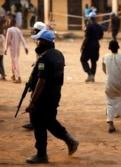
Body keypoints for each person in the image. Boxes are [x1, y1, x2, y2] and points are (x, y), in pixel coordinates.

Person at [25, 30, 79, 164]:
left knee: (39, 123)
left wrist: (32, 101)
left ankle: (42, 154)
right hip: (55, 95)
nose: (37, 43)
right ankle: (69, 141)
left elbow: (41, 81)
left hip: (43, 97)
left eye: (39, 40)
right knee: (48, 121)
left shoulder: (45, 58)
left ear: (44, 42)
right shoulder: (58, 55)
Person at [102, 40, 121, 133]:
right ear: (118, 47)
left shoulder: (105, 57)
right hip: (120, 83)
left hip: (109, 83)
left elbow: (104, 70)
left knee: (110, 102)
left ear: (109, 48)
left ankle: (111, 123)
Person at [22, 21, 46, 131]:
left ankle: (33, 122)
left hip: (41, 74)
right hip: (40, 71)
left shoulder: (42, 42)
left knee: (34, 97)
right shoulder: (42, 41)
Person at [80, 12, 103, 82]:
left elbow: (86, 38)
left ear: (90, 18)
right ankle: (92, 76)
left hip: (88, 46)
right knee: (94, 61)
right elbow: (101, 36)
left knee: (83, 59)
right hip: (96, 46)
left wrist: (82, 46)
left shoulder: (89, 26)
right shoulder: (99, 27)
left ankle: (90, 74)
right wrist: (95, 39)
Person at [4, 18, 28, 83]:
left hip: (12, 49)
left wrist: (5, 49)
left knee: (15, 62)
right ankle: (14, 75)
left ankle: (18, 77)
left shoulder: (9, 30)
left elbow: (7, 40)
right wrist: (25, 47)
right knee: (13, 61)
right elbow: (22, 38)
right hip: (17, 49)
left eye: (9, 22)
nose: (9, 23)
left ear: (11, 22)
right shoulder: (18, 30)